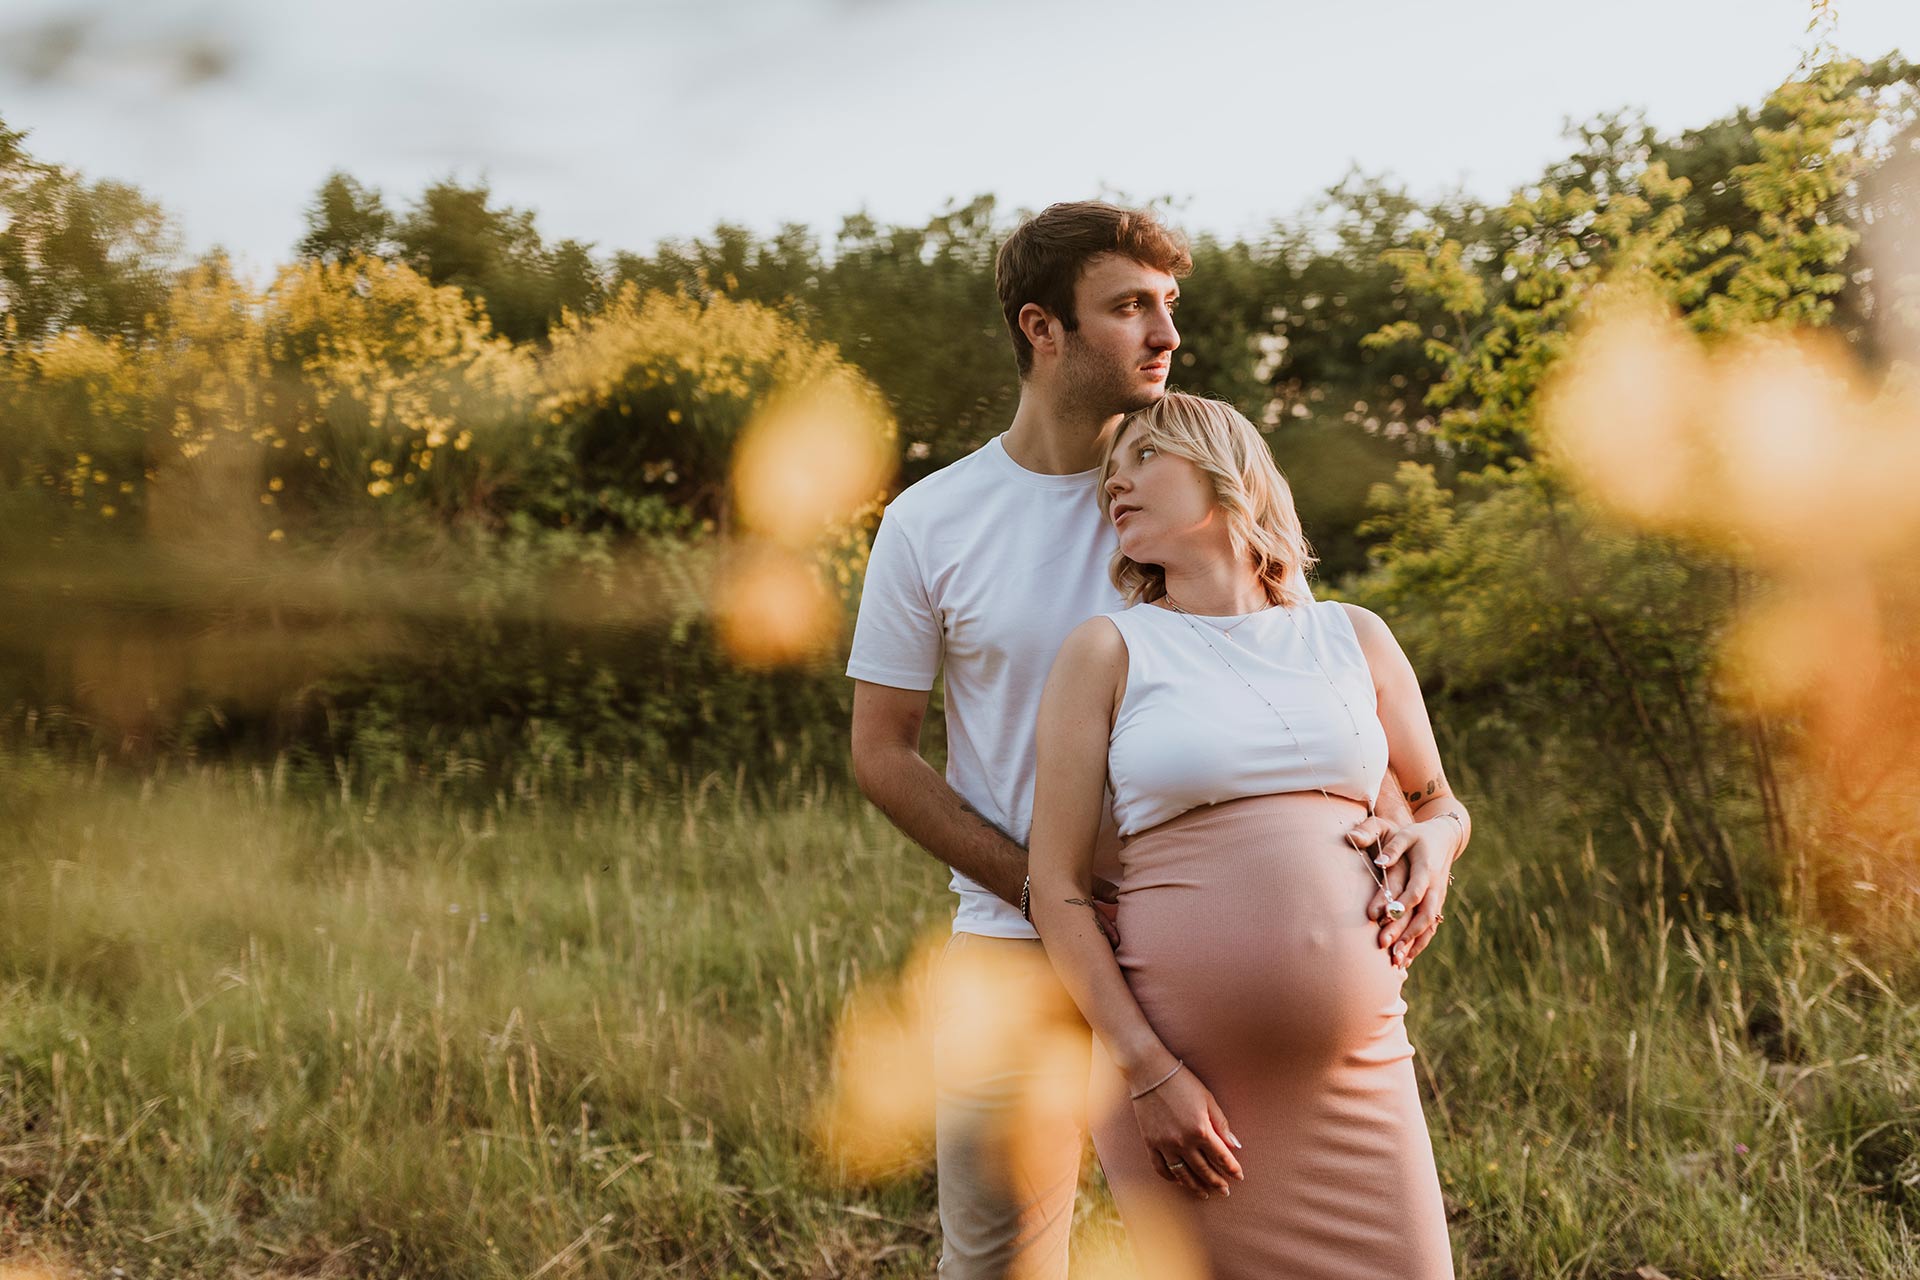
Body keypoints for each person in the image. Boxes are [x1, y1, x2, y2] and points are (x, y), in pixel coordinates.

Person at [846, 202, 1447, 1277]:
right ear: (1043, 327)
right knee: (1002, 1254)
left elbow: (1314, 698)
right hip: (1019, 945)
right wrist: (1038, 885)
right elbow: (881, 752)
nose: (1165, 334)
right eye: (1129, 307)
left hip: (1206, 971)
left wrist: (1415, 837)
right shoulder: (932, 522)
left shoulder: (1194, 487)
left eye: (1169, 305)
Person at [1026, 391, 1467, 1279]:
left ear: (1227, 472)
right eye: (1110, 472)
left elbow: (1440, 803)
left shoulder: (1353, 637)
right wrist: (1147, 1073)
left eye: (1144, 457)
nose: (1116, 480)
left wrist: (1435, 845)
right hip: (1188, 1089)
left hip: (1361, 1070)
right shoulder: (1109, 651)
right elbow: (1056, 887)